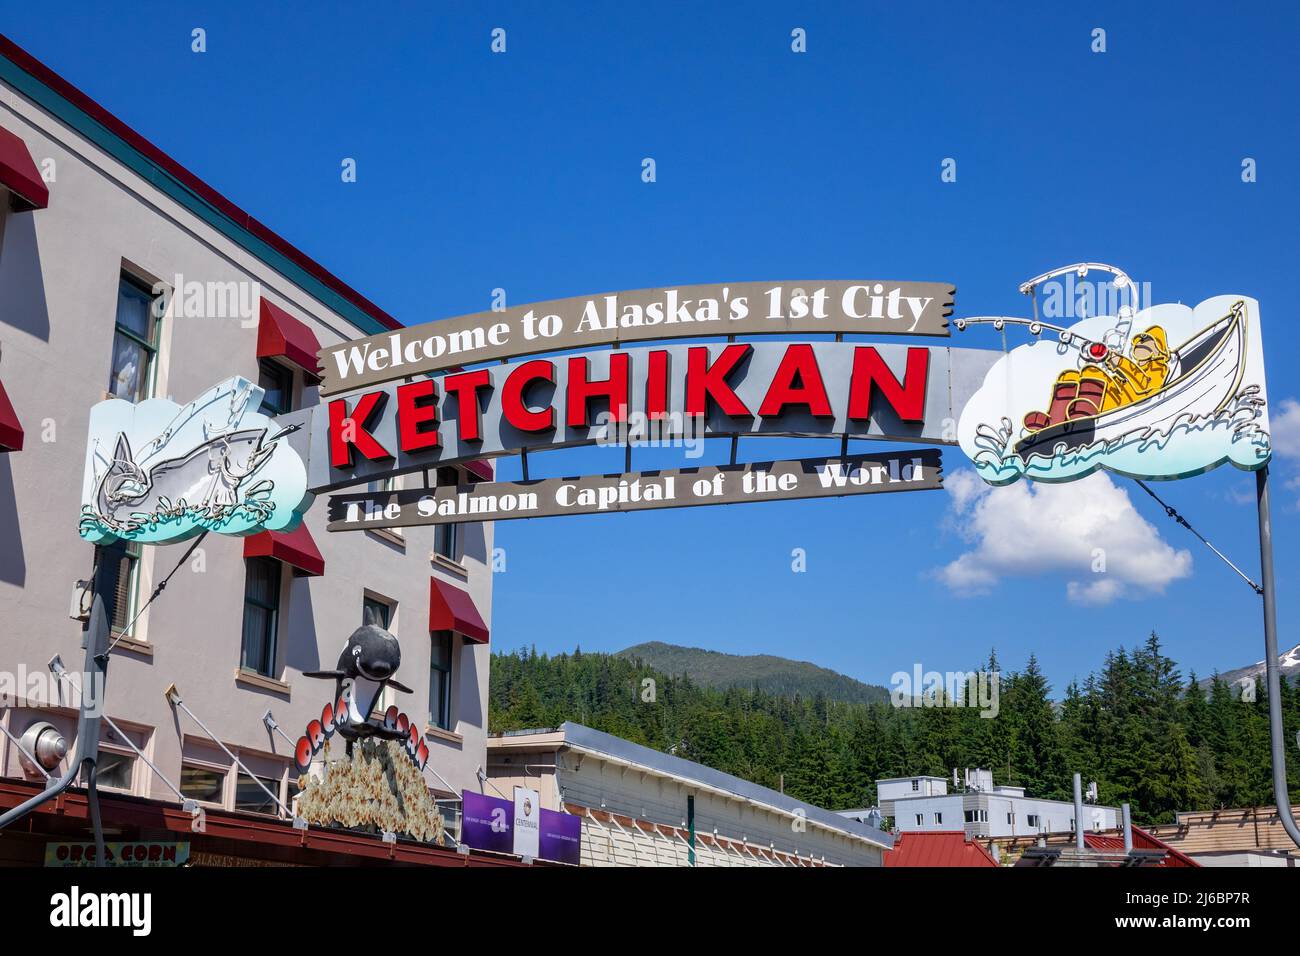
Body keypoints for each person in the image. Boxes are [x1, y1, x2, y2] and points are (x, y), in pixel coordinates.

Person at [1023, 326, 1170, 432]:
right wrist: (1117, 366)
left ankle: (1083, 414)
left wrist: (1120, 363)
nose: (1140, 345)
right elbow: (1127, 382)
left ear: (1158, 348)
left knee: (1091, 371)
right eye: (1138, 342)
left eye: (1146, 343)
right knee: (1069, 376)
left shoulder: (1158, 367)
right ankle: (1054, 421)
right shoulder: (1137, 366)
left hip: (1129, 405)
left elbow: (1146, 388)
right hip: (1118, 397)